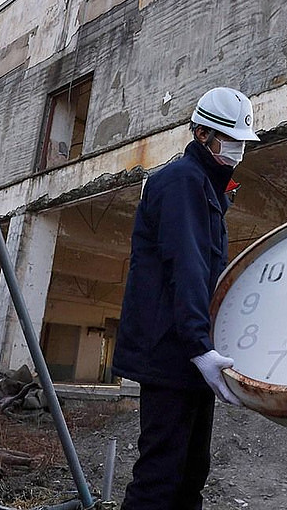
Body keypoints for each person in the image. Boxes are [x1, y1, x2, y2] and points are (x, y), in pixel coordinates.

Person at [112, 86, 258, 509]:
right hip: (171, 353)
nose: (236, 151)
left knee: (191, 471)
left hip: (187, 356)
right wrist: (200, 345)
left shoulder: (206, 190)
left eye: (241, 144)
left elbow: (210, 274)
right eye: (229, 141)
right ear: (200, 134)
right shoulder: (180, 182)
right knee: (160, 476)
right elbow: (188, 266)